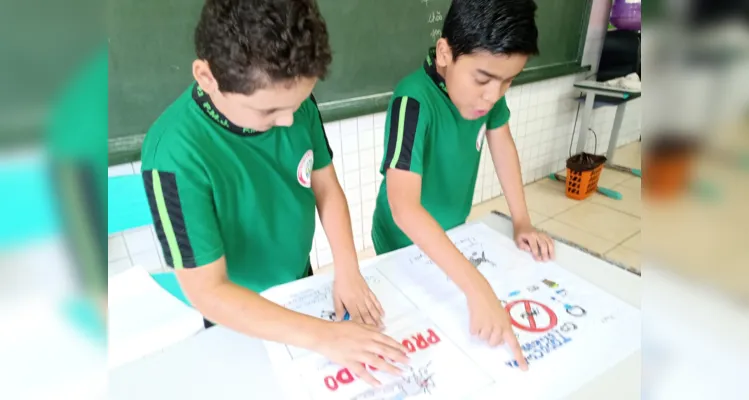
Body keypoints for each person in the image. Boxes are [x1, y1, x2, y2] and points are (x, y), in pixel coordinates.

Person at [140, 0, 407, 385]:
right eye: (268, 112)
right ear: (207, 76)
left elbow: (326, 188)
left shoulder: (295, 105)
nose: (287, 121)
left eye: (296, 105)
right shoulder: (173, 154)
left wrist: (347, 269)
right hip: (237, 313)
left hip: (301, 281)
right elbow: (208, 291)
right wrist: (325, 337)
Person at [371, 0, 554, 370]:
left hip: (451, 232)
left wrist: (522, 219)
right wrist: (476, 286)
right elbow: (403, 208)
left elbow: (501, 143)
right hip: (401, 243)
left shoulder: (488, 100)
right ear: (444, 54)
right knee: (423, 337)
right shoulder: (413, 100)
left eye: (508, 81)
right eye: (483, 79)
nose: (494, 94)